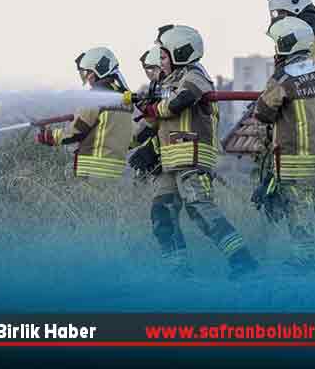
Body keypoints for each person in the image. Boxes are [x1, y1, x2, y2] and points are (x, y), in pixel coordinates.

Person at [137, 25, 258, 280]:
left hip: (191, 155)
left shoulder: (194, 75)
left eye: (163, 55)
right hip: (171, 160)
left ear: (180, 53)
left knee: (200, 209)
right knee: (161, 213)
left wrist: (154, 108)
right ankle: (179, 272)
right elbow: (155, 121)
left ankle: (243, 262)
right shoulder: (166, 82)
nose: (160, 61)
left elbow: (183, 99)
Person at [253, 17, 315, 267]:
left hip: (292, 160)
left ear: (285, 46)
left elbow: (263, 112)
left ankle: (305, 260)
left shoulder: (283, 80)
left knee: (298, 211)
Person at [35, 47, 133, 179]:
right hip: (115, 170)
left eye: (87, 72)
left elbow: (77, 130)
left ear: (97, 71)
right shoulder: (124, 99)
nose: (87, 77)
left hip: (93, 170)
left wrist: (51, 136)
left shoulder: (95, 97)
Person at [128, 45, 164, 180]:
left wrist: (151, 150)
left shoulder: (169, 85)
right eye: (146, 69)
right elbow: (151, 123)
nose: (149, 73)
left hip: (176, 147)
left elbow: (155, 122)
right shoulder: (157, 86)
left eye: (152, 68)